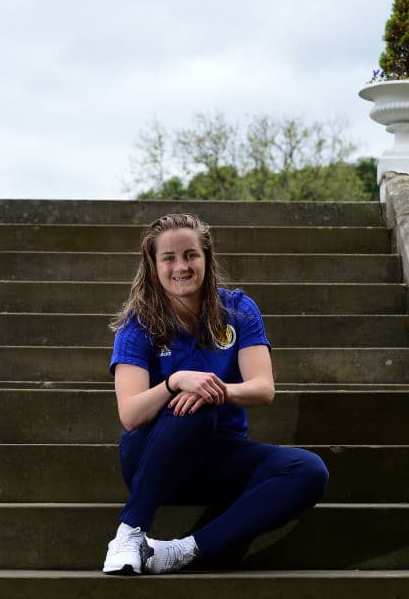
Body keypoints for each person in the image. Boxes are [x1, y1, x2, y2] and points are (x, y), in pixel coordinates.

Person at [102, 213, 329, 575]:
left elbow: (263, 388)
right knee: (194, 406)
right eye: (169, 258)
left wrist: (213, 390)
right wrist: (175, 381)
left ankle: (184, 550)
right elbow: (130, 414)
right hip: (155, 459)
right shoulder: (137, 325)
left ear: (206, 257)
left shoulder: (238, 310)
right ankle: (130, 530)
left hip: (223, 456)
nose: (181, 266)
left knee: (308, 470)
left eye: (191, 255)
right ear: (153, 264)